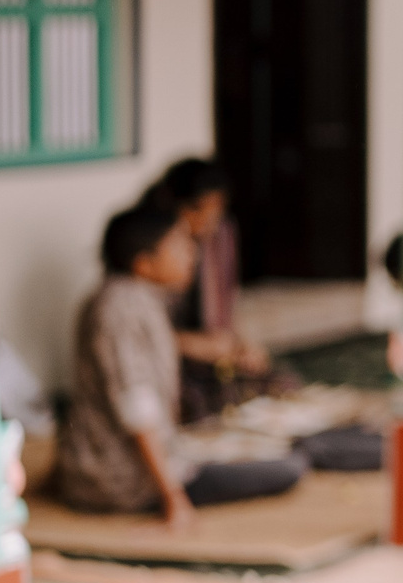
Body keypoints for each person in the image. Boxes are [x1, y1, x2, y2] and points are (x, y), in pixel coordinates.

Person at [54, 203, 305, 523]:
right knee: (288, 467)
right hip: (123, 480)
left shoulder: (132, 298)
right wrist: (173, 497)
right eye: (178, 246)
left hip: (131, 465)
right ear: (144, 263)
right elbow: (137, 406)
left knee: (275, 449)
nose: (192, 254)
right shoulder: (121, 308)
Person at [143, 157, 272, 420]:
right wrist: (190, 344)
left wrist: (239, 346)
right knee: (199, 405)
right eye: (198, 210)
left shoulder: (219, 236)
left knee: (272, 382)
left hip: (206, 359)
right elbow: (137, 337)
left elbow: (224, 315)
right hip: (163, 366)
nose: (209, 222)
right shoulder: (151, 249)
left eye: (217, 212)